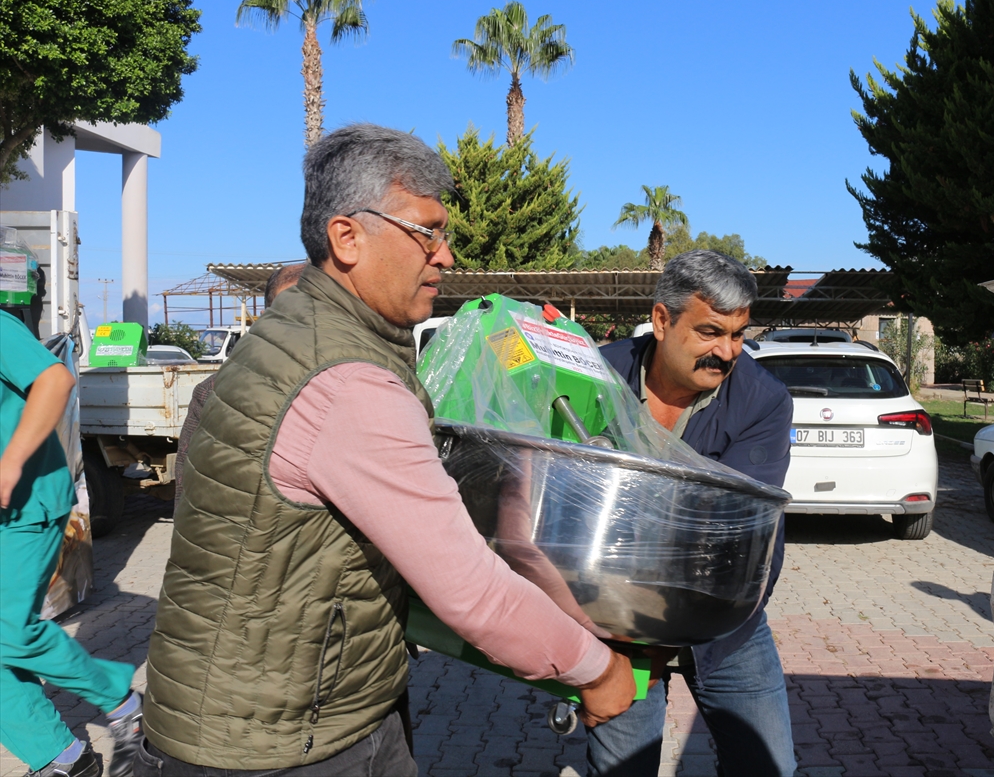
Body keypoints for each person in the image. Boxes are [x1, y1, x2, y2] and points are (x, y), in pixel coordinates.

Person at [139, 123, 635, 777]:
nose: (446, 255)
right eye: (426, 232)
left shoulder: (299, 337)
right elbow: (471, 593)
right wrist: (595, 669)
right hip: (276, 745)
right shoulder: (345, 380)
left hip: (310, 709)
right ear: (348, 237)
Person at [590, 250, 796, 776]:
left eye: (738, 335)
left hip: (725, 614)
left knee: (768, 768)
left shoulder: (761, 400)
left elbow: (732, 531)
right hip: (614, 619)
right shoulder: (597, 375)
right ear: (662, 320)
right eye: (709, 332)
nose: (727, 353)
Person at [0, 311, 143, 777]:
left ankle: (123, 707)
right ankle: (62, 758)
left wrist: (12, 461)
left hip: (24, 505)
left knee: (9, 631)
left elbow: (55, 381)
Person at [173, 262, 306, 507]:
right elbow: (189, 494)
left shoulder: (361, 390)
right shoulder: (213, 393)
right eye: (290, 309)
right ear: (266, 320)